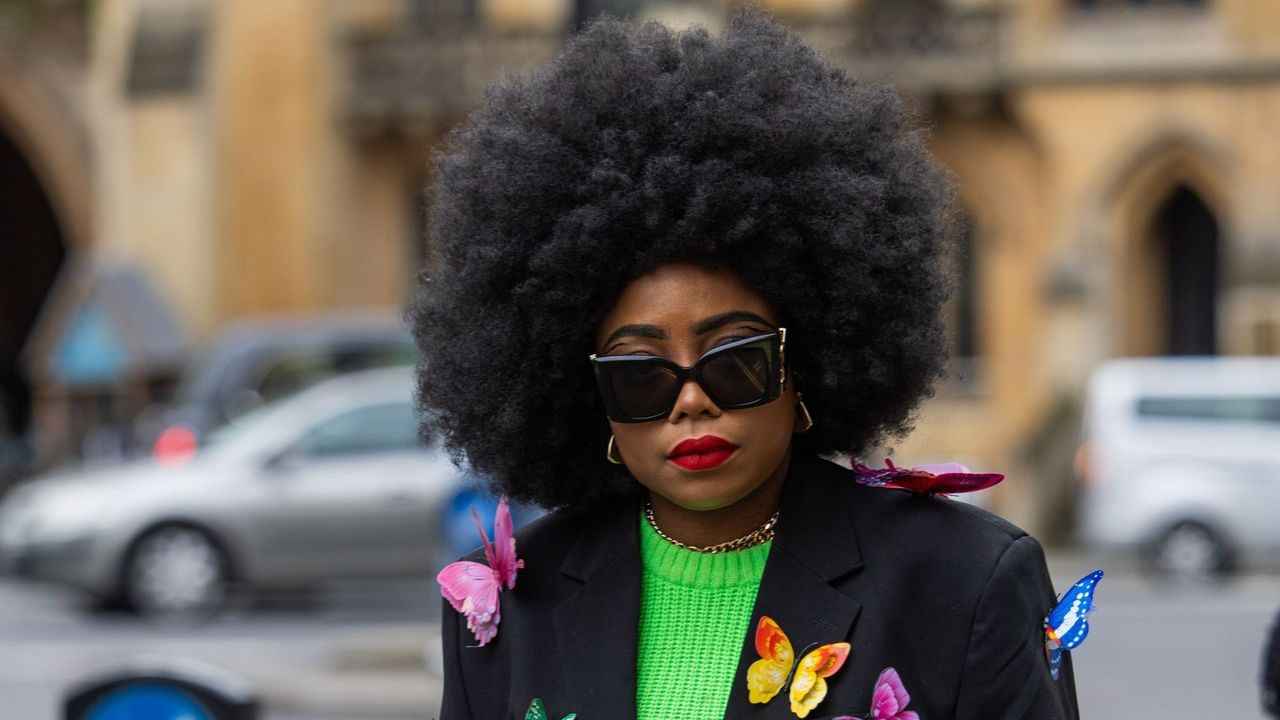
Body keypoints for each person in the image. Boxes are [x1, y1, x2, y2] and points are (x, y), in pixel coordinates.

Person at [407, 10, 1081, 720]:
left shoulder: (964, 582)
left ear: (801, 368)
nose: (691, 401)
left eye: (734, 360)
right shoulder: (508, 602)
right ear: (590, 397)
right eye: (641, 376)